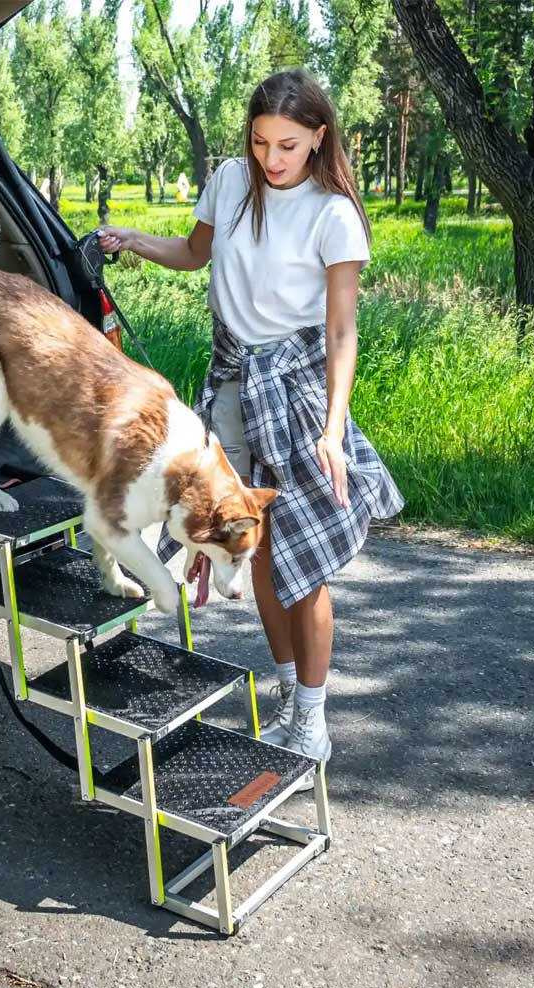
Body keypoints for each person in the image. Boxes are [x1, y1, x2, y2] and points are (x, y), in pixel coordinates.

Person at [97, 69, 404, 764]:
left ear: (318, 137)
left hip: (296, 393)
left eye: (288, 145)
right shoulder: (232, 182)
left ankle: (313, 719)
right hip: (233, 383)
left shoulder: (334, 214)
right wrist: (133, 239)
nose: (272, 158)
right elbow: (194, 254)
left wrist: (332, 429)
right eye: (261, 142)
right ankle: (290, 690)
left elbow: (341, 333)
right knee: (256, 550)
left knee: (304, 564)